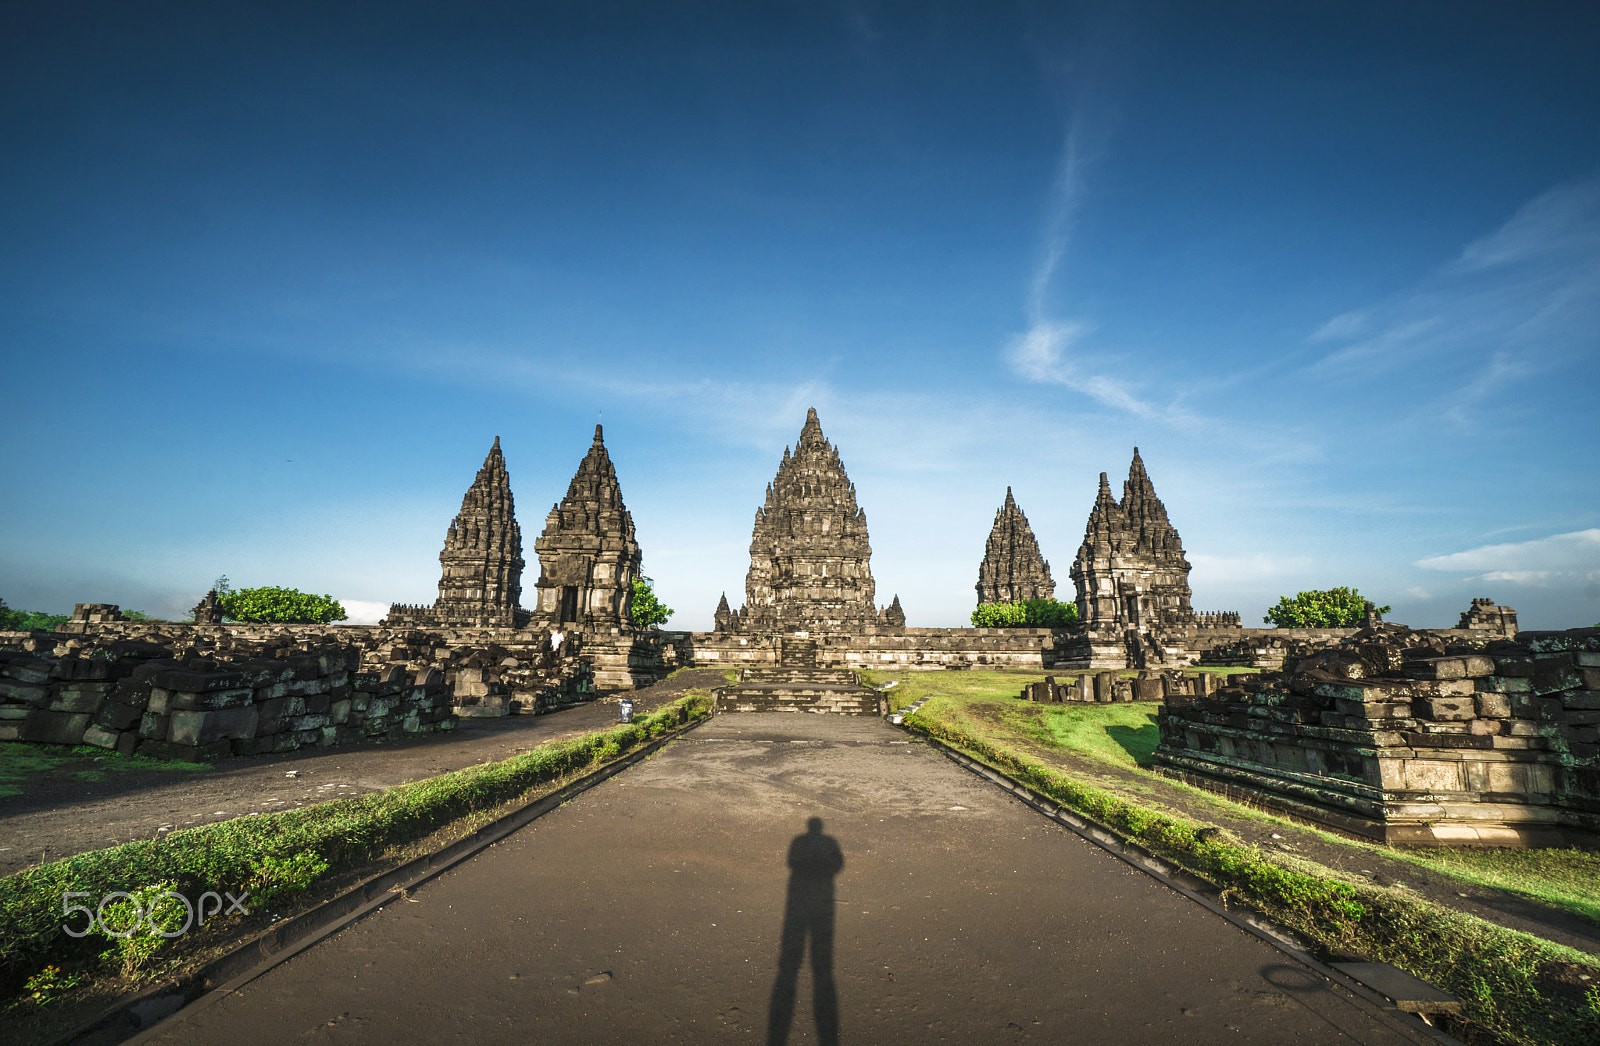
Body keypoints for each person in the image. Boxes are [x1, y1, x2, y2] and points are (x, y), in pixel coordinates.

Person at [768, 817, 843, 1046]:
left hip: (802, 899)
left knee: (794, 953)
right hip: (821, 899)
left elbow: (791, 862)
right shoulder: (828, 842)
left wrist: (809, 866)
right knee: (820, 956)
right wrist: (821, 867)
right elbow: (838, 864)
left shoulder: (800, 842)